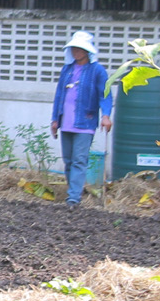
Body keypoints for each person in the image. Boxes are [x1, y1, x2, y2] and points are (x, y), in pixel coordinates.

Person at [49, 30, 114, 206]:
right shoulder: (67, 69)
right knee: (68, 160)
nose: (76, 52)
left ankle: (73, 197)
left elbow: (105, 94)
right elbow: (59, 95)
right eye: (74, 48)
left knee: (79, 159)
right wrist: (55, 120)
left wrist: (106, 116)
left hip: (85, 122)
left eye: (79, 48)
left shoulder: (97, 71)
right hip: (66, 122)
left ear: (87, 51)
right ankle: (73, 191)